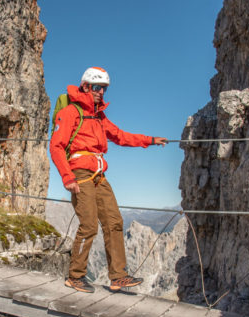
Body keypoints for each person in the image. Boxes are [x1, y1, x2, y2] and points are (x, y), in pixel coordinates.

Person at [50, 67, 167, 293]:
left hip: (99, 175)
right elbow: (56, 146)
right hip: (80, 174)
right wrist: (68, 177)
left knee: (114, 222)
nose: (101, 92)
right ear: (85, 86)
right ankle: (75, 276)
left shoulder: (98, 116)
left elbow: (120, 136)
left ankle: (118, 276)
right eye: (97, 87)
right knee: (89, 224)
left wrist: (150, 140)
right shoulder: (71, 112)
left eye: (104, 88)